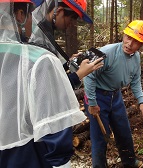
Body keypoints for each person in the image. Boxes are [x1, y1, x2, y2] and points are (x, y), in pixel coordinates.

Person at [0, 0, 87, 167]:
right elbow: (56, 130)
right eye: (31, 13)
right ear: (20, 14)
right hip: (26, 155)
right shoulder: (40, 58)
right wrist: (78, 76)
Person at [83, 20, 143, 168]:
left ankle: (130, 161)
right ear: (124, 35)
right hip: (98, 96)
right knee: (100, 137)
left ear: (141, 45)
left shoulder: (136, 57)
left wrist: (141, 101)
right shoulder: (107, 52)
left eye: (135, 42)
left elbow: (135, 80)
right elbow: (88, 76)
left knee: (123, 131)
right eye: (128, 38)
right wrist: (92, 103)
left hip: (115, 96)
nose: (129, 44)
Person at [29, 0, 103, 89]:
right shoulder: (37, 38)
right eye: (72, 18)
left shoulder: (45, 32)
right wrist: (79, 75)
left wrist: (67, 64)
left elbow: (50, 69)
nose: (71, 24)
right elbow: (47, 87)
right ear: (59, 11)